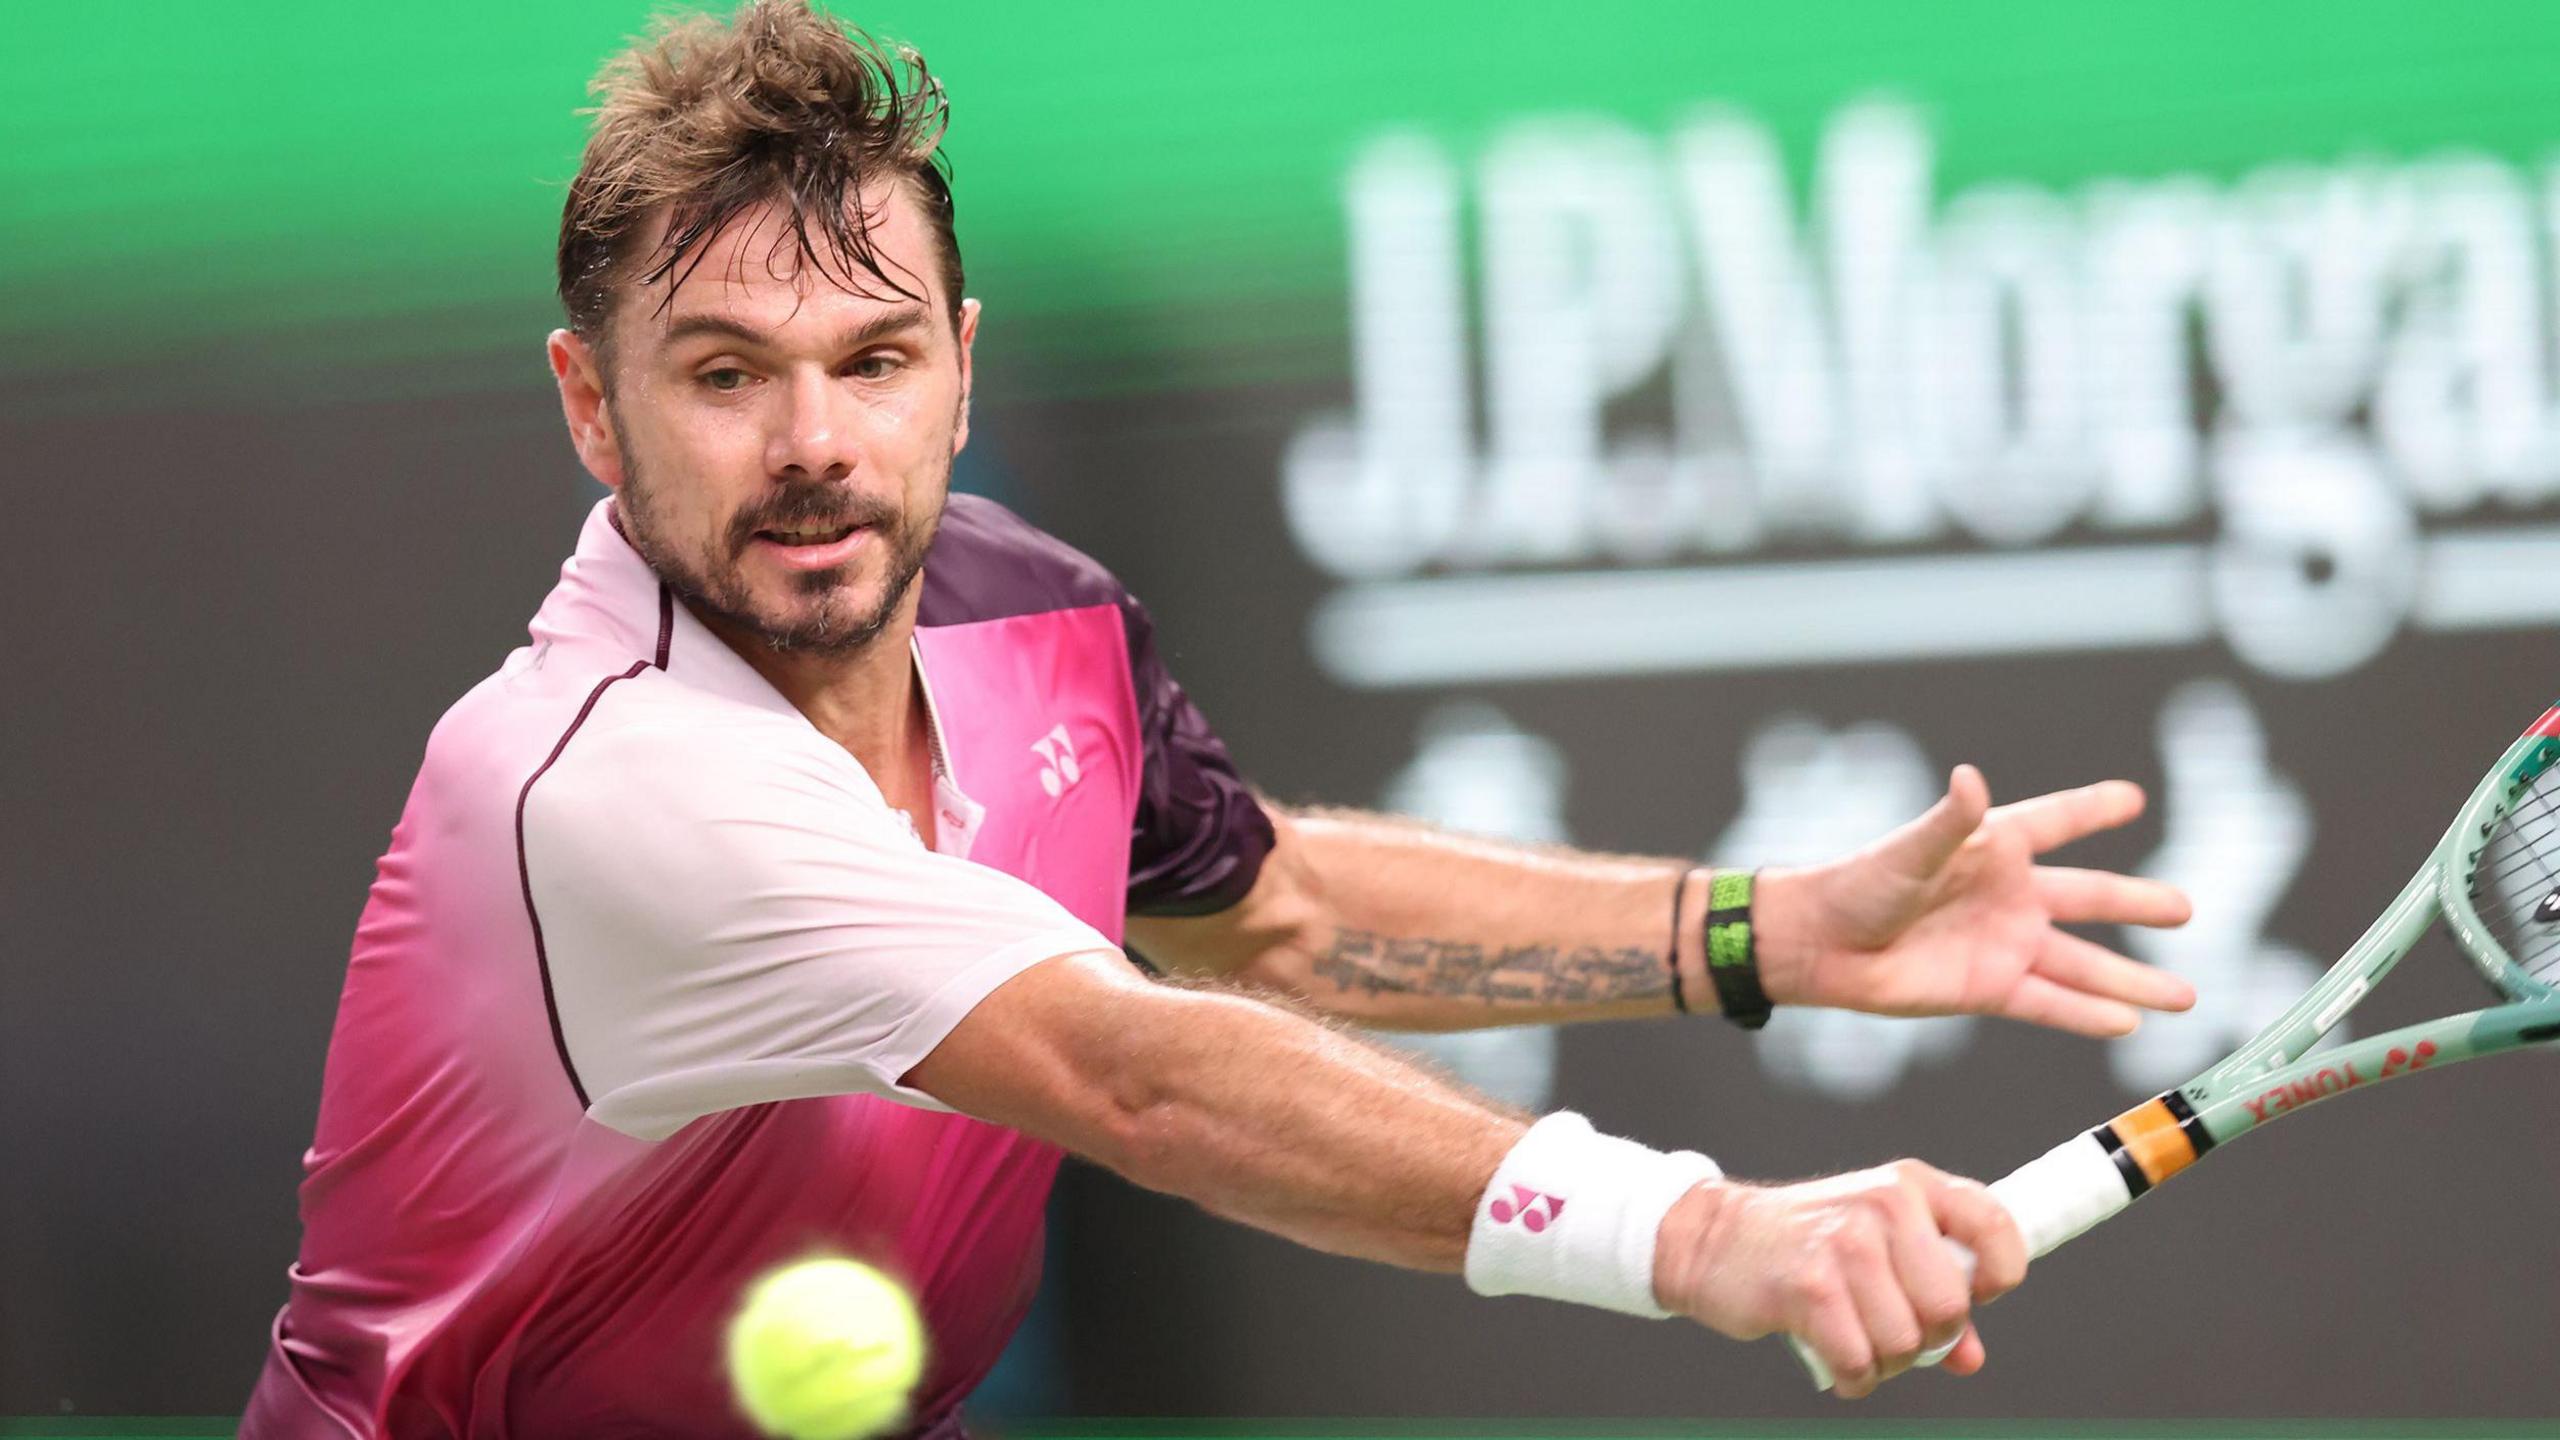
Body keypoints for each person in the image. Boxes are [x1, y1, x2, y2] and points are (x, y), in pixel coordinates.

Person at [241, 3, 2196, 1434]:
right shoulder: (604, 784)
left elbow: (1261, 915)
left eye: (874, 358)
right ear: (592, 409)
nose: (817, 444)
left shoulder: (1017, 604)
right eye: (727, 374)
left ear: (959, 365)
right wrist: (1694, 1236)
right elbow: (1141, 1074)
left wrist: (1752, 932)